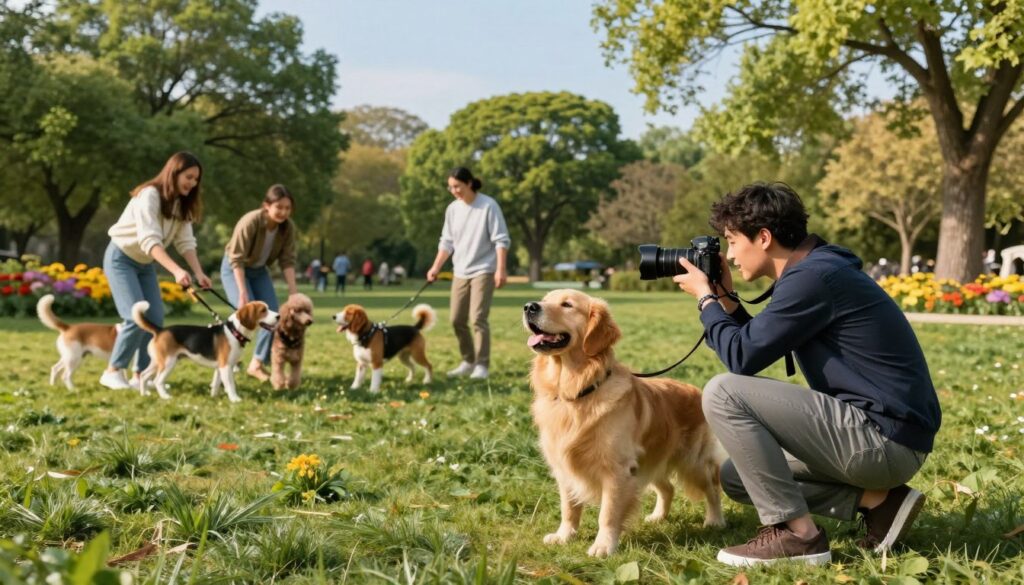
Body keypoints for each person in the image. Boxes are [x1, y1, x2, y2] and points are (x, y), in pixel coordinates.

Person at [671, 182, 940, 567]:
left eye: (732, 242)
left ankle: (798, 536)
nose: (729, 255)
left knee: (723, 392)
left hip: (883, 442)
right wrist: (726, 301)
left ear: (763, 238)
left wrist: (705, 299)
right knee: (737, 476)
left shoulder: (813, 278)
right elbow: (754, 343)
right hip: (886, 439)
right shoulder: (816, 271)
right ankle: (883, 502)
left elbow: (740, 357)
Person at [100, 151, 212, 390]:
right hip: (121, 258)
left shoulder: (182, 204)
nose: (192, 184)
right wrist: (176, 271)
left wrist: (198, 272)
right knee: (134, 318)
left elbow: (186, 243)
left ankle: (140, 375)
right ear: (174, 172)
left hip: (145, 263)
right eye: (189, 177)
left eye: (196, 180)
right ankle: (113, 371)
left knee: (154, 320)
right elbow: (149, 241)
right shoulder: (149, 195)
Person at [426, 167, 510, 380]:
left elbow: (501, 239)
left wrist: (500, 269)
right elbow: (446, 242)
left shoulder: (488, 206)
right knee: (456, 319)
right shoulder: (453, 209)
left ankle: (482, 365)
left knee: (478, 318)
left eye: (457, 186)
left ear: (469, 183)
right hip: (460, 270)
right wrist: (436, 267)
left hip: (484, 269)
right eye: (451, 187)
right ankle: (468, 360)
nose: (453, 190)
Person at [221, 184, 299, 382]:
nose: (283, 212)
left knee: (273, 315)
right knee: (244, 313)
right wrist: (242, 292)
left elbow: (287, 260)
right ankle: (229, 354)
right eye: (279, 207)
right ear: (267, 206)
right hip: (234, 268)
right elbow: (236, 258)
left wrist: (293, 292)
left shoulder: (287, 228)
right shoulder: (251, 221)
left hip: (258, 271)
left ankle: (256, 363)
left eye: (287, 208)